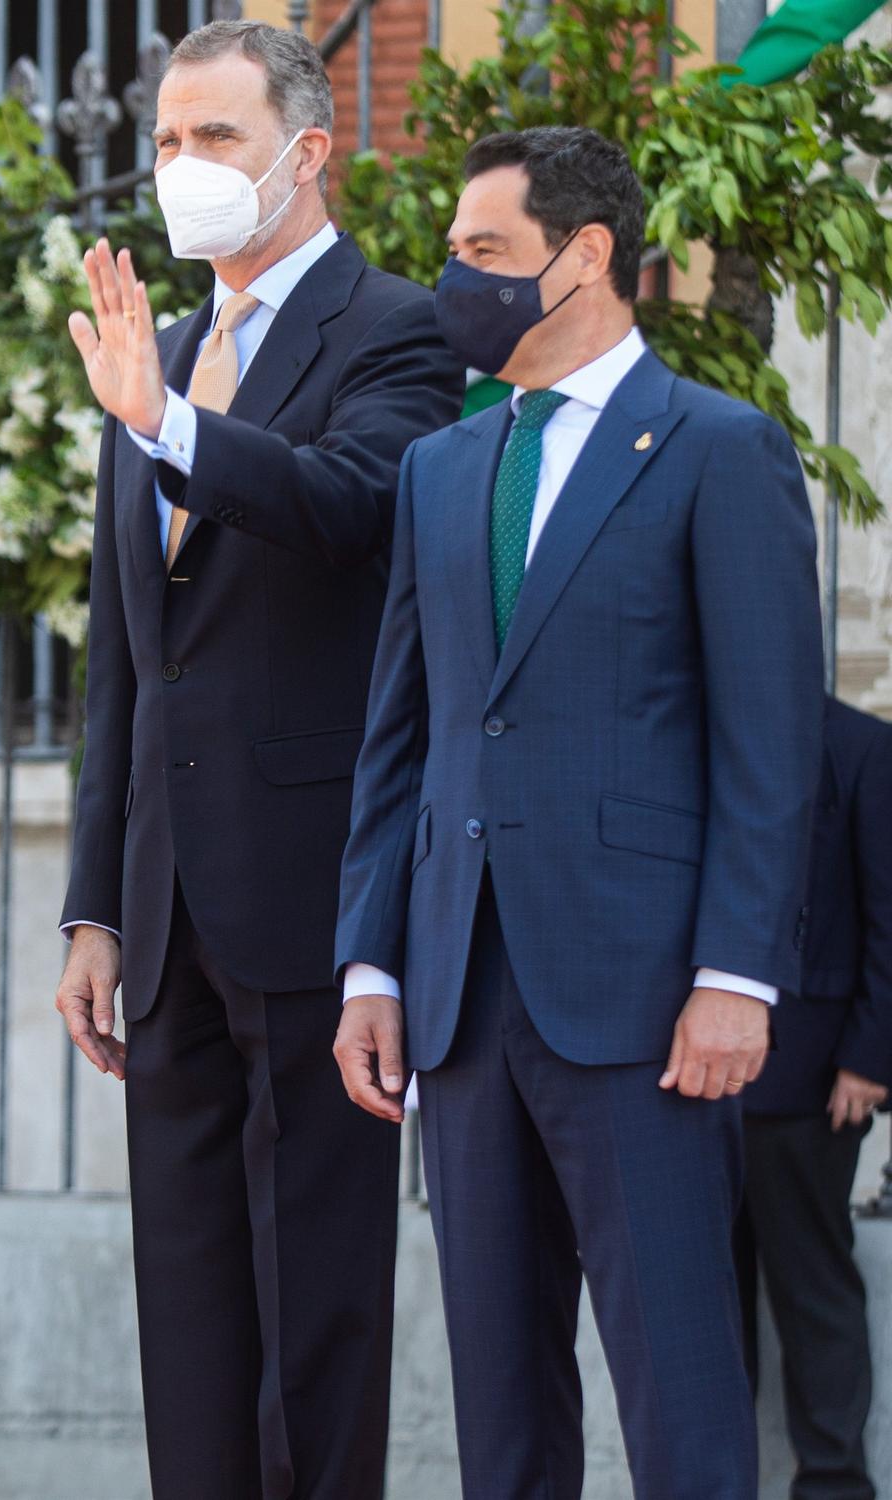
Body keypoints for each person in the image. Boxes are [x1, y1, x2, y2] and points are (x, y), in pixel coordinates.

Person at [333, 125, 824, 1500]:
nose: (454, 284)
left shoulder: (722, 450)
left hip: (649, 1004)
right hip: (464, 998)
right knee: (501, 1401)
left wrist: (737, 975)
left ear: (587, 256)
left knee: (678, 1384)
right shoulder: (440, 467)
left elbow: (767, 745)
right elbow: (404, 739)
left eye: (484, 254)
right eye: (451, 256)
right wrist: (374, 962)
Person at [53, 19, 462, 1498]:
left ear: (307, 153)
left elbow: (354, 504)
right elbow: (128, 656)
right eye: (165, 142)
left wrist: (169, 429)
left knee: (320, 1318)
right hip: (163, 922)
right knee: (193, 1323)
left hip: (313, 902)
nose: (182, 171)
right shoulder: (148, 358)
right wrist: (94, 905)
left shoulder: (394, 327)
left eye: (215, 140)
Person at [737, 695, 892, 1500]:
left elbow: (891, 916)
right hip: (686, 1088)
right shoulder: (689, 737)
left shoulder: (866, 748)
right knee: (703, 1310)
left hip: (814, 1086)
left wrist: (869, 1058)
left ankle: (834, 1485)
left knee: (814, 1297)